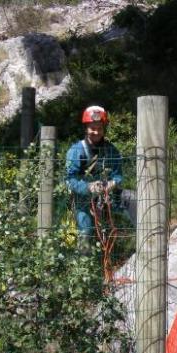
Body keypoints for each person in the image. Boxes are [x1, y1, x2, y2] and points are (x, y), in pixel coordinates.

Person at [65, 105, 123, 249]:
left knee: (109, 234)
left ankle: (107, 266)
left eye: (99, 128)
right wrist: (88, 187)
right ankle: (82, 267)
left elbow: (118, 175)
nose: (96, 132)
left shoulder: (112, 151)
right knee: (85, 232)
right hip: (82, 201)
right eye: (92, 128)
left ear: (104, 128)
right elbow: (69, 179)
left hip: (106, 201)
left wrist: (112, 184)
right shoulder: (77, 151)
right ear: (86, 128)